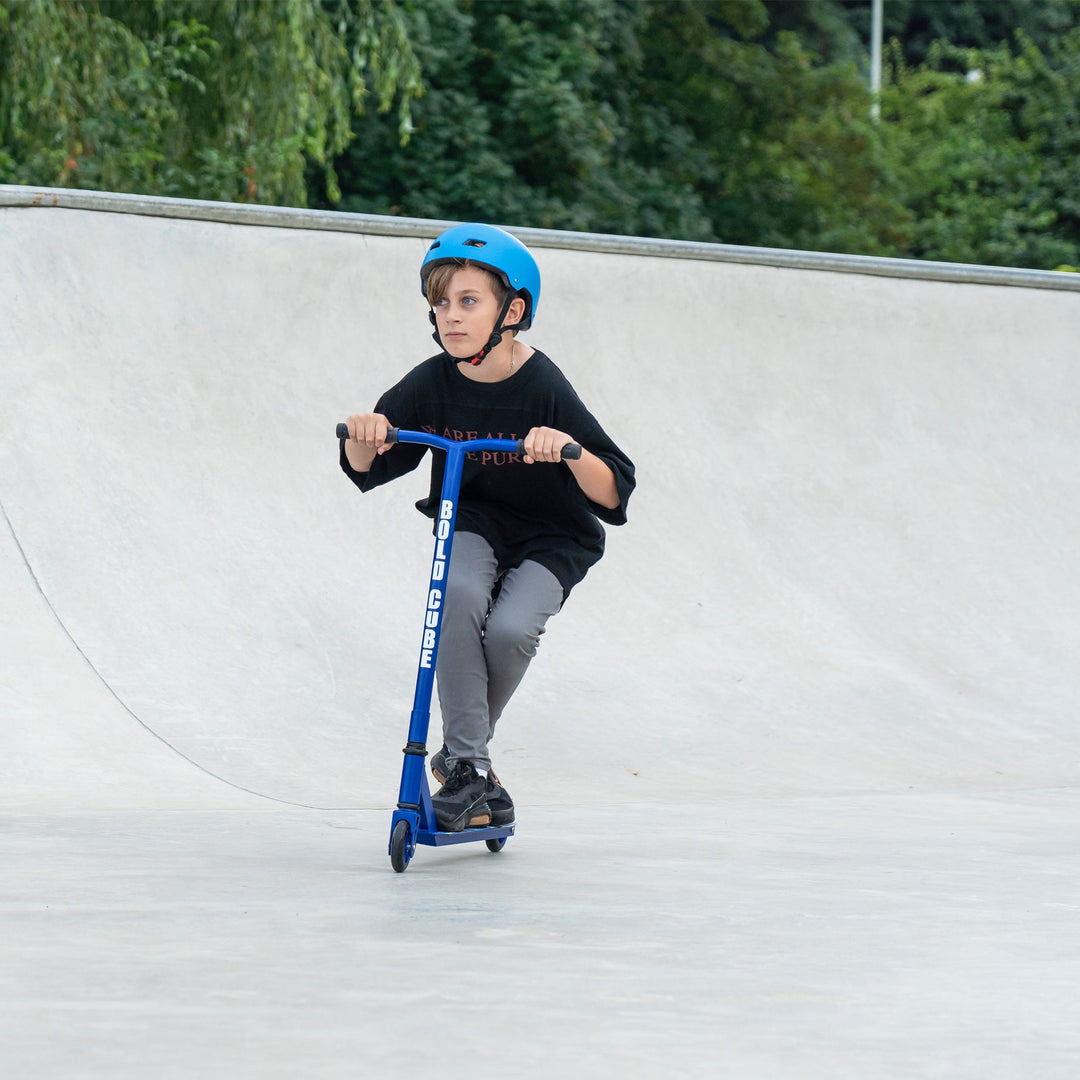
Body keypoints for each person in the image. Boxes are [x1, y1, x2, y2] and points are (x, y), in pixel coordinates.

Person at [340, 222, 635, 832]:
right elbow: (367, 467)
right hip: (473, 517)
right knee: (459, 598)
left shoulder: (542, 384)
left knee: (508, 632)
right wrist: (366, 436)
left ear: (514, 310)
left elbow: (615, 488)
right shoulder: (431, 382)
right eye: (441, 303)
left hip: (555, 534)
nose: (451, 316)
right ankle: (472, 770)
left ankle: (458, 757)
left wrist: (570, 451)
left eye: (469, 301)